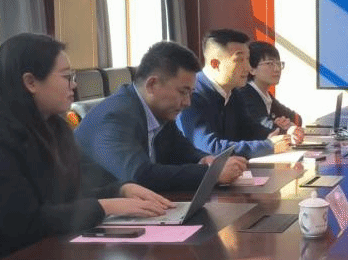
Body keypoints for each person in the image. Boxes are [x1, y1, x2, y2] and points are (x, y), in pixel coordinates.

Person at [0, 34, 170, 260]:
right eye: (66, 77)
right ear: (31, 82)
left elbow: (71, 196)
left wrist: (120, 190)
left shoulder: (55, 128)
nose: (74, 85)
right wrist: (106, 206)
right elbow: (25, 223)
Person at [75, 41, 248, 192]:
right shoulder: (116, 116)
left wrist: (206, 160)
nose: (187, 102)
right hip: (97, 214)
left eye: (191, 93)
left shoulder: (159, 112)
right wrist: (211, 173)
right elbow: (140, 176)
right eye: (183, 92)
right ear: (152, 85)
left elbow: (182, 150)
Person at [176, 29, 292, 158]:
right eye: (240, 60)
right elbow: (210, 147)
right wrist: (268, 146)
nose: (248, 67)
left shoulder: (233, 92)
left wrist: (281, 134)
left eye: (247, 59)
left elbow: (249, 129)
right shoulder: (192, 94)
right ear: (215, 64)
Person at [234, 41, 304, 145]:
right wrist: (286, 128)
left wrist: (287, 124)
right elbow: (263, 127)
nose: (277, 69)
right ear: (252, 69)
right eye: (269, 63)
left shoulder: (266, 95)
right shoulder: (245, 94)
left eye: (278, 63)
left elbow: (297, 118)